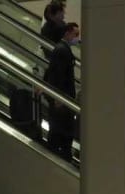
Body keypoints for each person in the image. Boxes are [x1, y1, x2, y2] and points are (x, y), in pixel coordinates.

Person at [44, 22, 80, 162]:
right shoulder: (62, 50)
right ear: (67, 33)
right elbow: (57, 75)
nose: (77, 38)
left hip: (63, 99)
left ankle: (62, 154)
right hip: (62, 99)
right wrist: (57, 98)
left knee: (60, 129)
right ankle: (62, 156)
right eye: (75, 34)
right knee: (62, 130)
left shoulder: (62, 49)